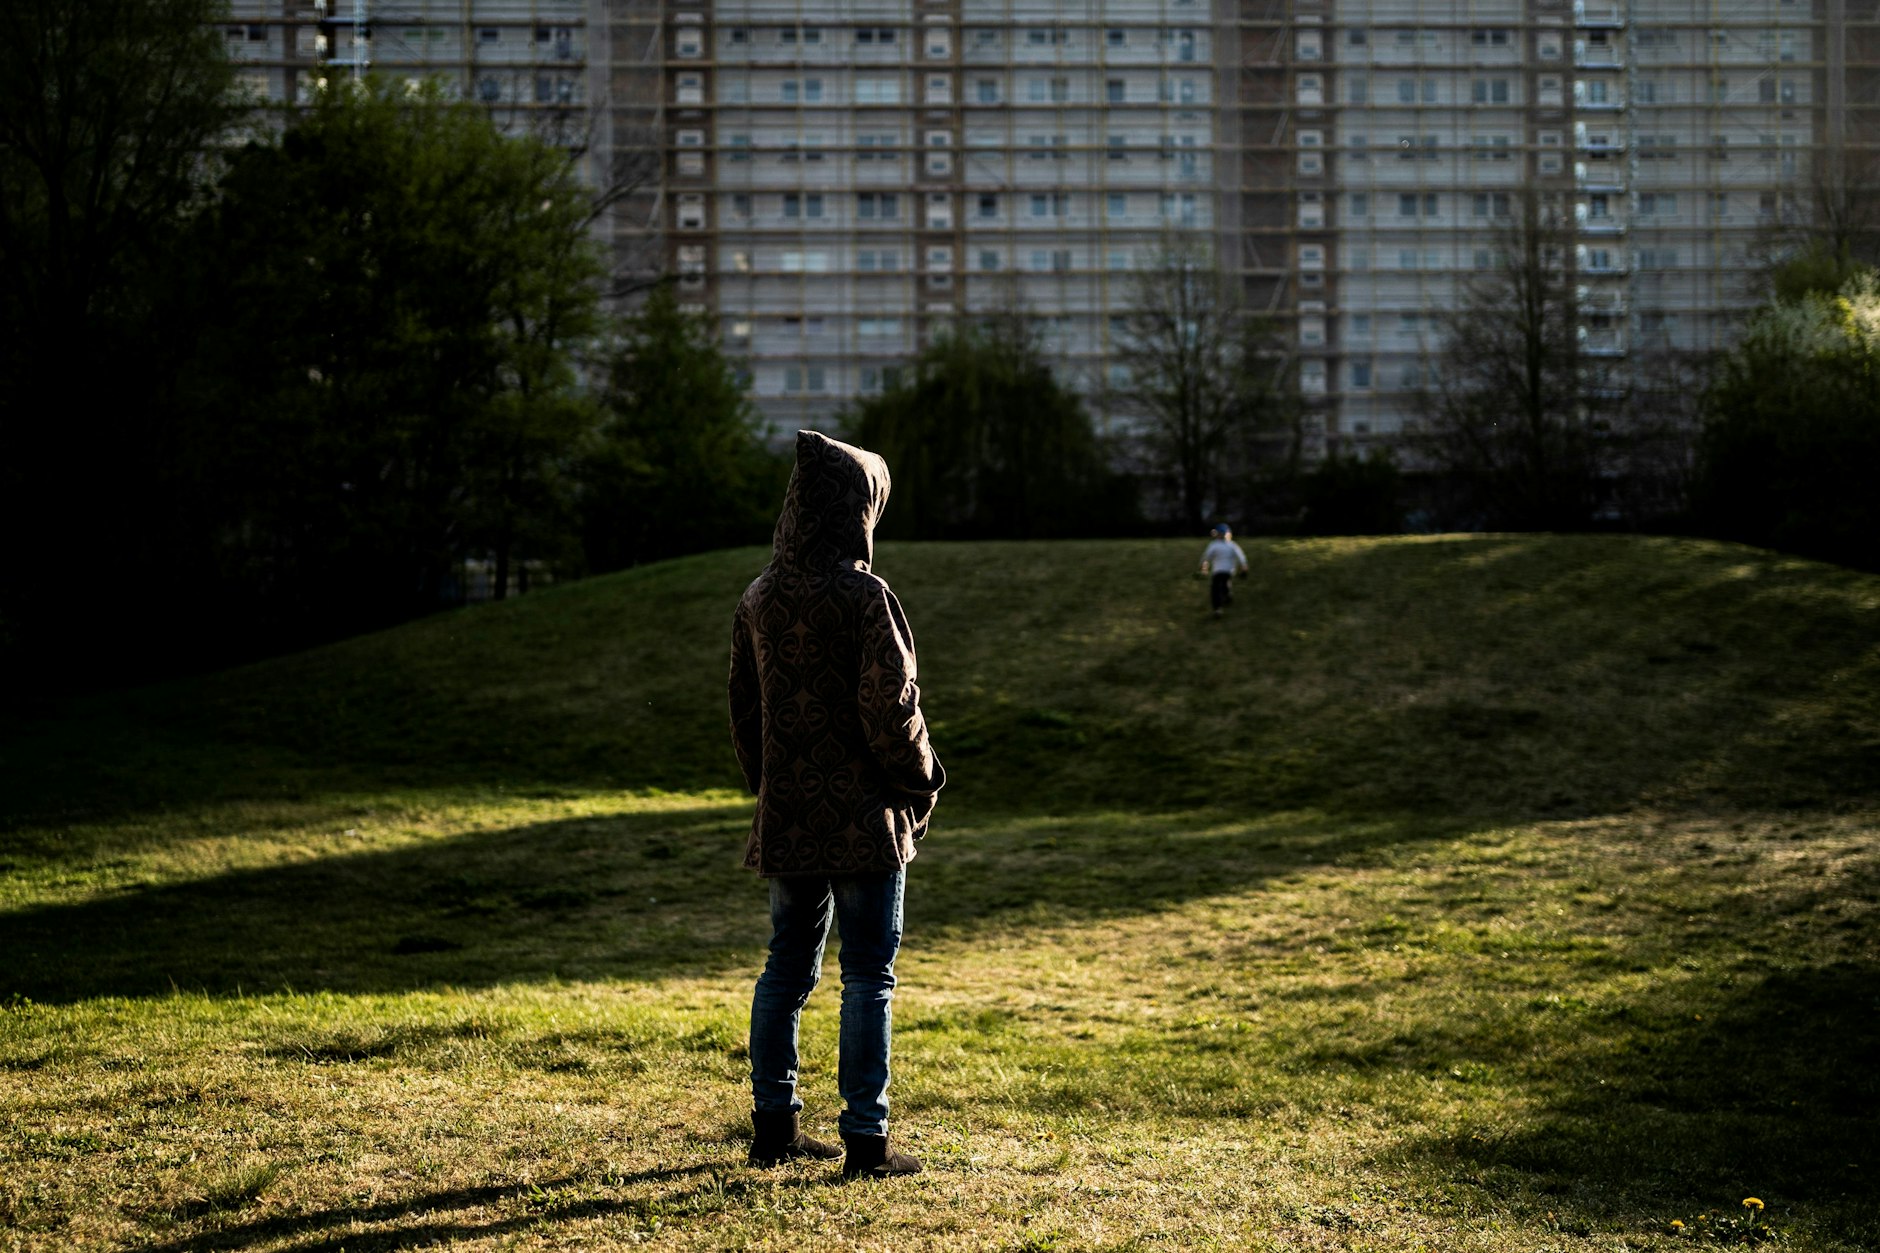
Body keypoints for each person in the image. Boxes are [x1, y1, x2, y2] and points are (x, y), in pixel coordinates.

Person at [728, 430, 946, 1179]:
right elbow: (892, 702)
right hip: (863, 819)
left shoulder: (757, 596)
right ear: (854, 509)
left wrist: (771, 786)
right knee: (868, 975)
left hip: (787, 814)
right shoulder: (864, 595)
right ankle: (866, 1142)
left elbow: (743, 710)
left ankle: (772, 1128)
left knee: (785, 966)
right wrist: (922, 779)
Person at [1199, 523, 1249, 617]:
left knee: (1216, 588)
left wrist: (1204, 568)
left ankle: (1217, 608)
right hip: (1228, 571)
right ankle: (1226, 597)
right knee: (1224, 583)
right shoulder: (1232, 545)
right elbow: (1241, 557)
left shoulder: (1214, 545)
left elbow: (1206, 558)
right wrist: (1244, 567)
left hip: (1218, 571)